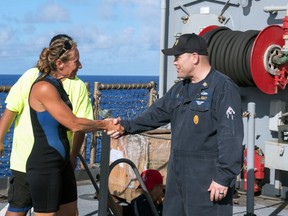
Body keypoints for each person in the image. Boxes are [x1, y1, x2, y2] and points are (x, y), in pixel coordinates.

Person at [110, 33, 244, 215]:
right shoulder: (180, 89)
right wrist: (126, 126)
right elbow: (155, 114)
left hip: (206, 178)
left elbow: (231, 137)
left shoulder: (222, 88)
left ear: (195, 57)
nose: (174, 62)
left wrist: (223, 177)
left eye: (178, 57)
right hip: (177, 176)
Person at [0, 34, 118, 216]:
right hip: (42, 163)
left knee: (71, 212)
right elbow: (74, 123)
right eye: (76, 61)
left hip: (61, 163)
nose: (80, 65)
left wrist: (72, 157)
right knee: (20, 208)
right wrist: (105, 124)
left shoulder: (62, 85)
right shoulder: (42, 86)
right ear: (60, 64)